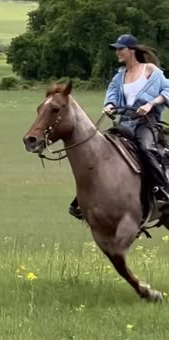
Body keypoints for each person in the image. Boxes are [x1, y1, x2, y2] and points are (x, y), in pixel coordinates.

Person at [69, 34, 169, 220]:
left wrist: (151, 104)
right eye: (116, 49)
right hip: (124, 124)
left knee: (146, 148)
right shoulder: (118, 77)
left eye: (120, 49)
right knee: (100, 150)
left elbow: (167, 90)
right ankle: (84, 199)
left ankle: (160, 189)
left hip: (145, 123)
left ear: (131, 50)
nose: (117, 52)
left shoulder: (151, 70)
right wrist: (109, 107)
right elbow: (112, 97)